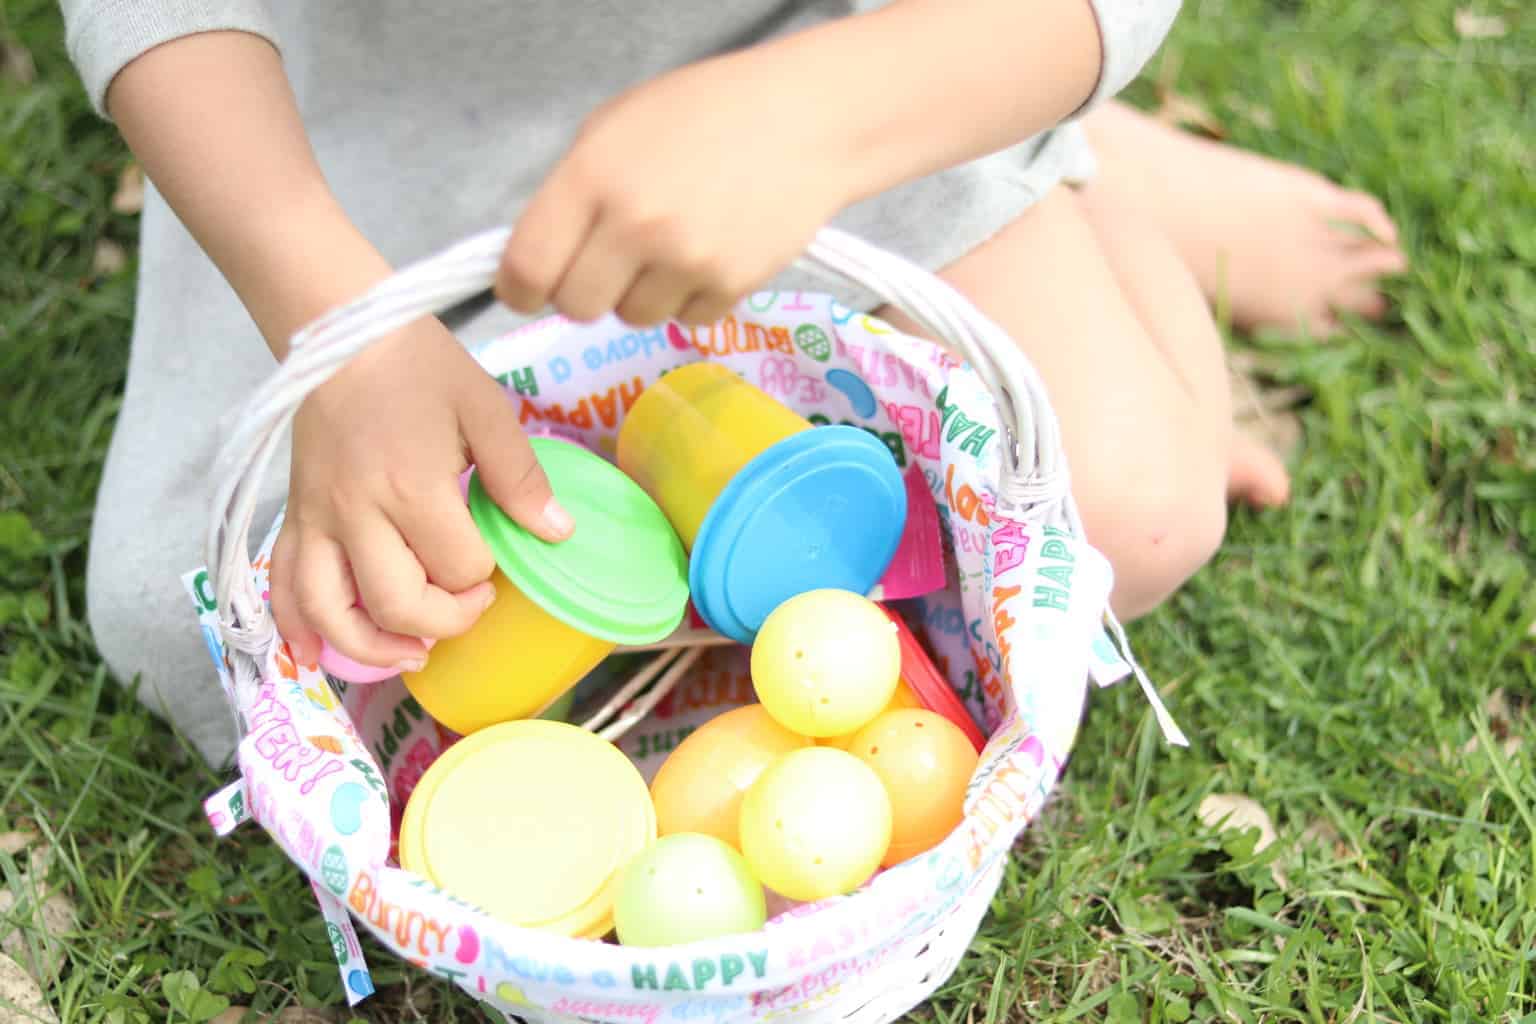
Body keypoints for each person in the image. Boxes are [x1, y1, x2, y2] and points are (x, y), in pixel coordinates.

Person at [62, 0, 1403, 766]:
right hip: (350, 132)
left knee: (1118, 509)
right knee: (218, 631)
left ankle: (1047, 142)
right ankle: (1018, 138)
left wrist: (825, 110)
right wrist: (337, 319)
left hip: (822, 63)